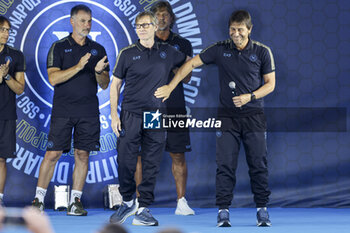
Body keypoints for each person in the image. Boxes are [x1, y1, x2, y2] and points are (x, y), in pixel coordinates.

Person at [155, 10, 275, 227]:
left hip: (254, 117)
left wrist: (251, 96)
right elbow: (190, 64)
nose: (236, 34)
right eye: (232, 29)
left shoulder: (263, 52)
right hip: (227, 118)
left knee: (258, 164)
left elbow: (270, 83)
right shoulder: (220, 49)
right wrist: (171, 86)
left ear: (250, 29)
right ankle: (223, 211)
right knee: (225, 165)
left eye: (240, 30)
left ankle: (262, 210)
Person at [109, 11, 187, 226]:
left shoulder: (168, 52)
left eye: (145, 25)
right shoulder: (127, 53)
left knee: (151, 161)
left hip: (154, 115)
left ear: (154, 27)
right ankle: (127, 202)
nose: (141, 28)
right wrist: (114, 114)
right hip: (131, 114)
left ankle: (143, 208)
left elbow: (190, 63)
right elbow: (115, 85)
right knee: (125, 160)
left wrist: (171, 87)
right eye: (138, 26)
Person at [31, 4, 110, 216]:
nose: (87, 25)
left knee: (83, 154)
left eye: (90, 21)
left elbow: (104, 84)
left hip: (88, 111)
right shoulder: (58, 47)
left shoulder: (98, 50)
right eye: (83, 21)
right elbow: (53, 78)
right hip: (63, 110)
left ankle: (75, 202)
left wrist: (98, 71)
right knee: (53, 153)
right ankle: (38, 200)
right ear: (72, 21)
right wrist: (79, 66)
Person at [133, 0, 195, 216]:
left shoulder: (183, 44)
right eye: (157, 15)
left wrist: (171, 64)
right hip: (150, 107)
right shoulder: (143, 41)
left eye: (165, 14)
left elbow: (187, 77)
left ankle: (181, 202)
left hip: (175, 106)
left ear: (171, 18)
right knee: (143, 155)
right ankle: (141, 204)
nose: (161, 18)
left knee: (178, 154)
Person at [0, 16, 26, 205]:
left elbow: (20, 88)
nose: (6, 33)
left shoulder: (16, 55)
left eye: (8, 30)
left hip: (6, 115)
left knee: (1, 159)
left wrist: (6, 75)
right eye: (2, 29)